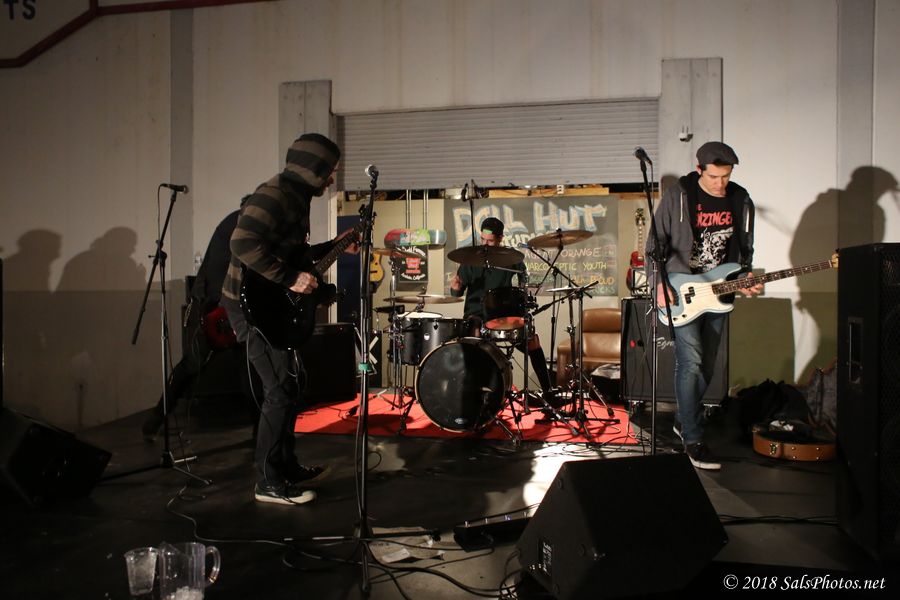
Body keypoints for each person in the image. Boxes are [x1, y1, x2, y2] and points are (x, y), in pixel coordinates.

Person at [220, 132, 357, 505]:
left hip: (269, 303)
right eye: (328, 170)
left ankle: (285, 466)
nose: (331, 178)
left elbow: (293, 254)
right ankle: (268, 482)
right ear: (313, 168)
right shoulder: (275, 195)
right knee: (279, 389)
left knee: (292, 386)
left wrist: (336, 245)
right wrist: (291, 278)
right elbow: (242, 243)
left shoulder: (296, 197)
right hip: (250, 308)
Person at [647, 141, 763, 470]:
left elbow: (745, 248)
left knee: (708, 365)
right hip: (680, 289)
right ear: (699, 169)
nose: (720, 183)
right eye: (714, 177)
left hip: (720, 291)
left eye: (726, 176)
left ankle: (683, 419)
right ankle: (693, 438)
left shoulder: (741, 199)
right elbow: (655, 244)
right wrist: (657, 283)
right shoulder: (678, 196)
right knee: (692, 362)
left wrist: (745, 276)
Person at [142, 200, 252, 441]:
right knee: (195, 365)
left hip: (221, 308)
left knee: (246, 368)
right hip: (213, 309)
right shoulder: (239, 227)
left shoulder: (237, 224)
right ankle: (156, 419)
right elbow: (223, 274)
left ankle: (261, 432)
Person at [449, 217, 555, 402]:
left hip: (502, 315)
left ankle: (549, 392)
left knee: (532, 340)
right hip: (477, 315)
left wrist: (525, 291)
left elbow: (523, 283)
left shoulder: (510, 258)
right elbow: (457, 292)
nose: (485, 244)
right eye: (483, 239)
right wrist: (455, 288)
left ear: (500, 238)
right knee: (475, 333)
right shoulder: (470, 260)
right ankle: (476, 394)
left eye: (490, 241)